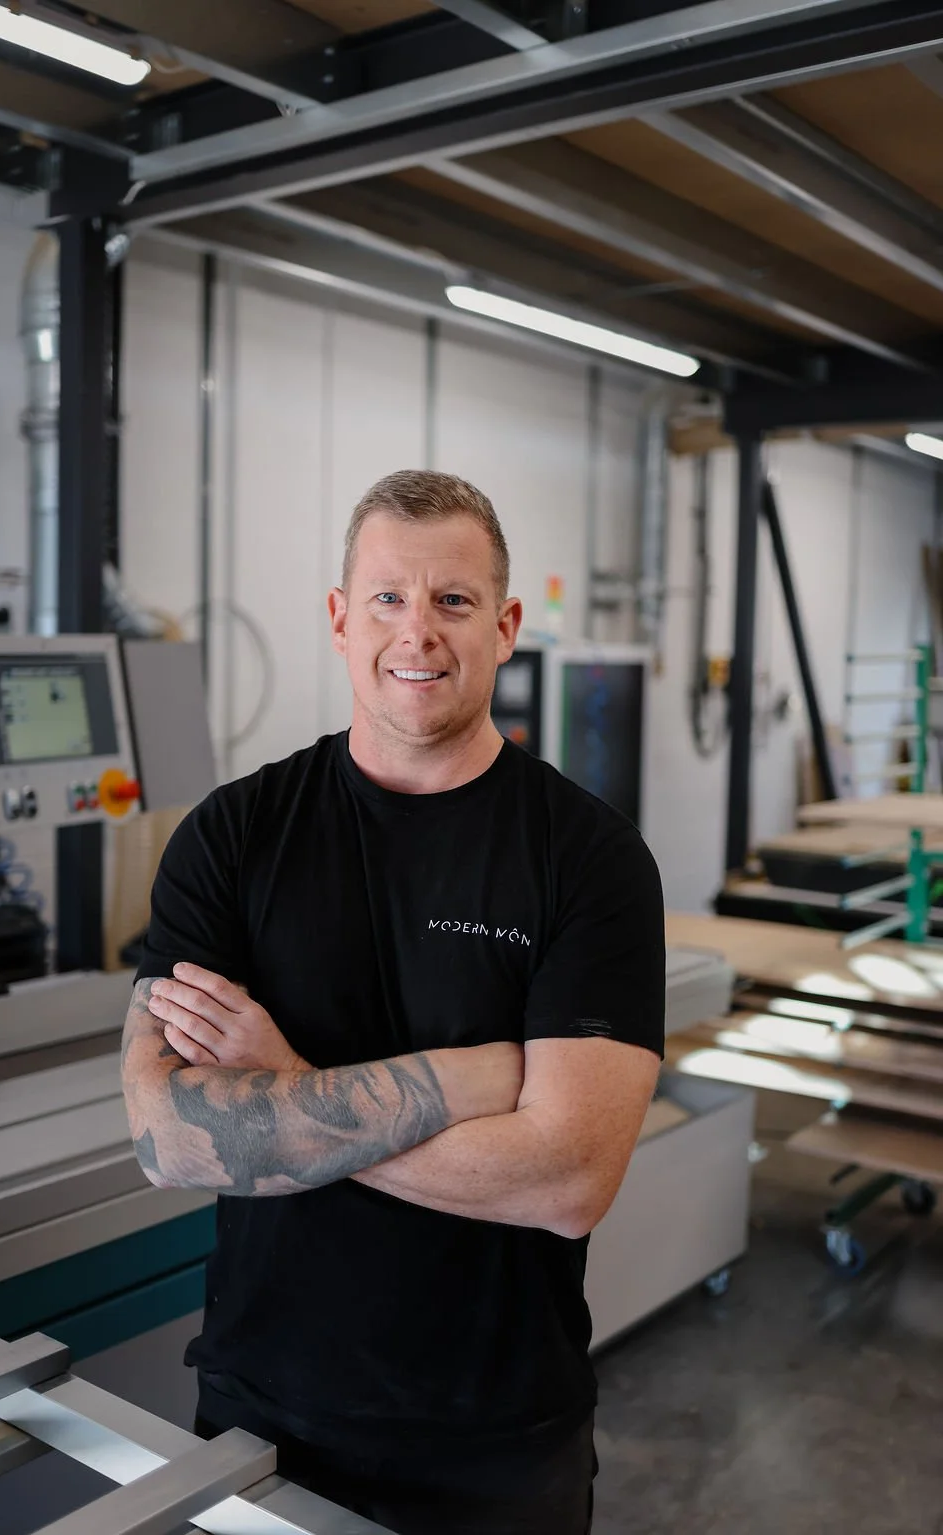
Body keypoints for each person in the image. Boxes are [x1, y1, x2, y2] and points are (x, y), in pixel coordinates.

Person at [121, 469, 665, 1535]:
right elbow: (167, 1136)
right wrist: (475, 1080)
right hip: (261, 1414)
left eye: (453, 601)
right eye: (386, 597)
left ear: (504, 624)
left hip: (498, 1442)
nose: (417, 632)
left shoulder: (590, 859)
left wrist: (279, 1089)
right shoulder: (233, 836)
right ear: (338, 617)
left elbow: (567, 1179)